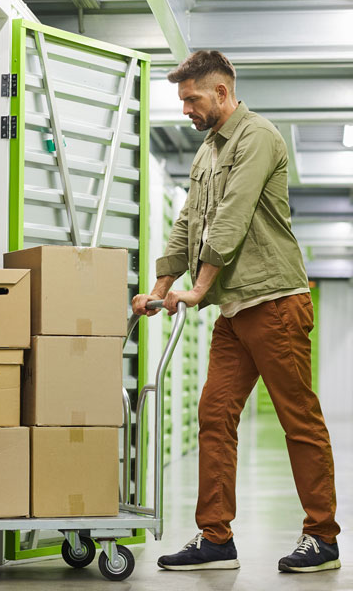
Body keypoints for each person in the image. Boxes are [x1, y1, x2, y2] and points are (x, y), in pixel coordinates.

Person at [132, 50, 341, 573]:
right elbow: (188, 227)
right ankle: (216, 538)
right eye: (181, 101)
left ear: (221, 93)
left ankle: (322, 537)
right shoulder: (206, 153)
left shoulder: (259, 138)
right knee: (214, 414)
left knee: (299, 420)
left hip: (275, 303)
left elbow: (232, 220)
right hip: (234, 312)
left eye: (191, 99)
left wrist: (198, 291)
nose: (185, 109)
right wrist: (159, 289)